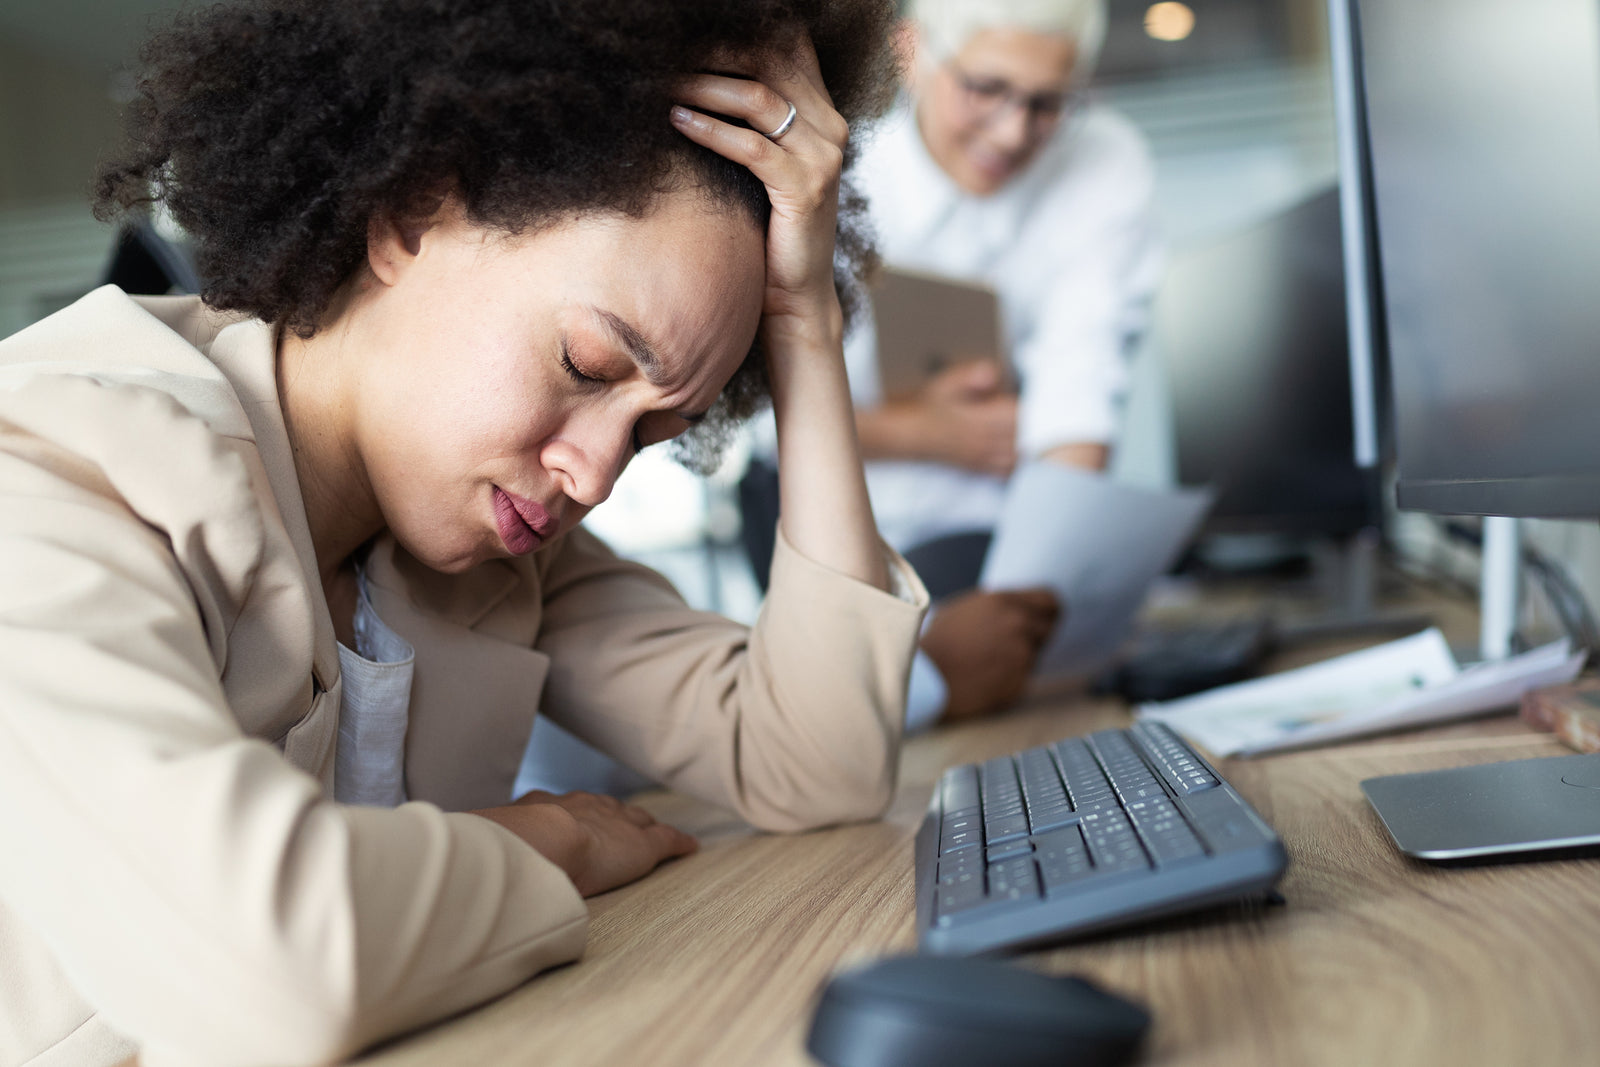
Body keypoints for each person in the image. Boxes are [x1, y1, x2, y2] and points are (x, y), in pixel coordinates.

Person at [0, 1, 926, 1064]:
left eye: (653, 433)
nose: (594, 472)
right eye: (585, 365)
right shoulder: (46, 473)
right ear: (409, 215)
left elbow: (820, 764)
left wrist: (804, 318)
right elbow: (273, 966)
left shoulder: (495, 544)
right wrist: (549, 838)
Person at [847, 0, 1161, 725]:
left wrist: (1041, 595)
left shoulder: (1102, 159)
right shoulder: (846, 173)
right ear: (911, 55)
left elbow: (1081, 388)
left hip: (1004, 520)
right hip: (863, 520)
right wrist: (931, 434)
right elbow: (770, 424)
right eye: (985, 89)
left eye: (1049, 102)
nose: (1015, 131)